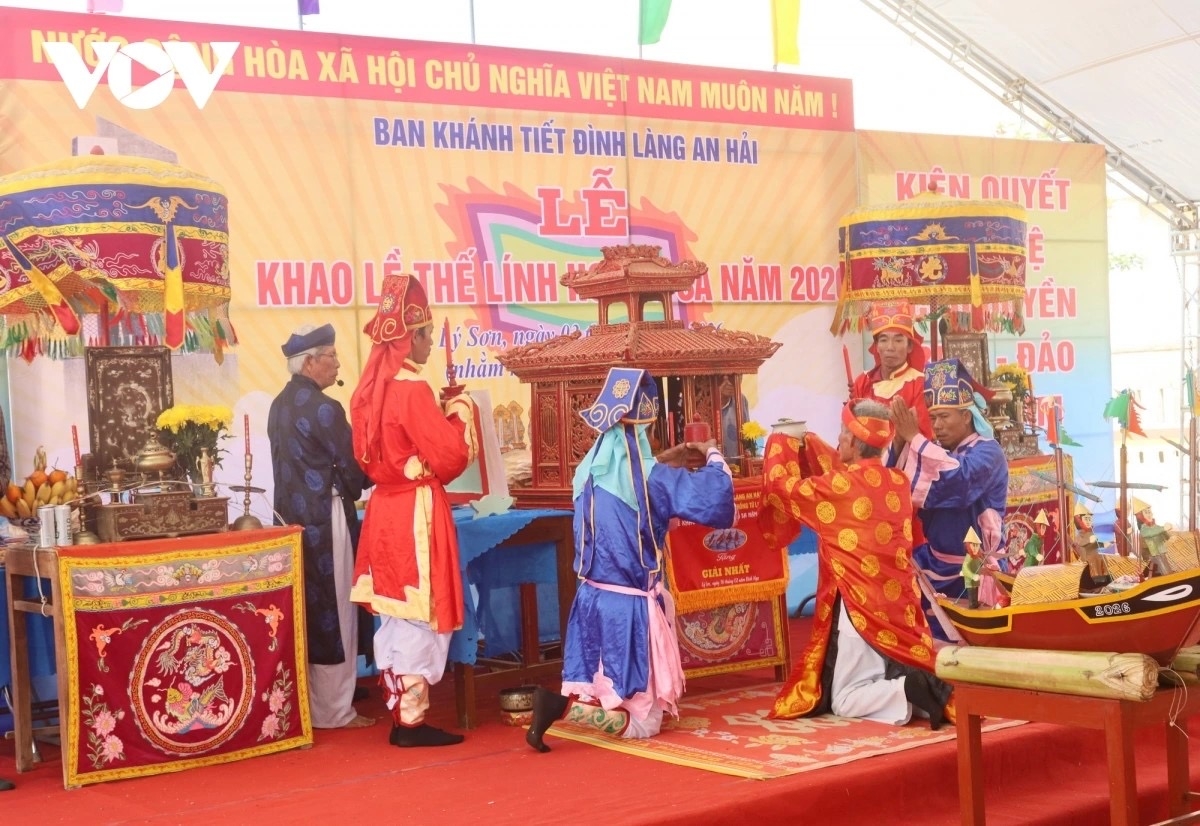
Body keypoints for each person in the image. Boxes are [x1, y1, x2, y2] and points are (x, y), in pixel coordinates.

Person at [526, 368, 736, 752]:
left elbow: (629, 476)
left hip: (592, 599)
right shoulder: (653, 479)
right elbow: (714, 496)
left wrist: (665, 459)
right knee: (644, 723)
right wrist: (712, 452)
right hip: (630, 611)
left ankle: (583, 699)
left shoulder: (587, 471)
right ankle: (561, 709)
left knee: (607, 689)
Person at [759, 398, 951, 729]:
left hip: (859, 607)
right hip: (899, 606)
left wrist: (781, 441)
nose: (837, 440)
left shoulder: (837, 487)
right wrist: (810, 443)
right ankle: (919, 690)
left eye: (842, 433)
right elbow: (844, 472)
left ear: (851, 440)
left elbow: (780, 488)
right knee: (888, 667)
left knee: (845, 698)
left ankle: (908, 688)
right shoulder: (898, 482)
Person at [349, 273, 479, 748]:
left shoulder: (371, 390)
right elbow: (450, 457)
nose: (429, 344)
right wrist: (461, 411)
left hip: (385, 507)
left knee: (395, 613)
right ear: (412, 337)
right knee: (421, 612)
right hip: (416, 513)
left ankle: (401, 711)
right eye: (425, 335)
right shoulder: (411, 389)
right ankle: (411, 720)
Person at [268, 323, 374, 730]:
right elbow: (353, 464)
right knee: (337, 609)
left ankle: (317, 699)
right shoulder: (324, 408)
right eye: (331, 356)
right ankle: (334, 710)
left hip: (291, 519)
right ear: (310, 362)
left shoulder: (279, 404)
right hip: (325, 517)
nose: (338, 363)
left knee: (309, 610)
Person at [892, 359, 1009, 633]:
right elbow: (896, 484)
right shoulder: (937, 452)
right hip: (934, 564)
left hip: (975, 572)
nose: (937, 426)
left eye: (945, 417)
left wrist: (915, 439)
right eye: (933, 418)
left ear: (966, 416)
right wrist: (900, 441)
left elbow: (959, 483)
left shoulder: (989, 452)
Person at [850, 301, 932, 445]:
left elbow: (924, 436)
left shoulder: (920, 383)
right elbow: (852, 430)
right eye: (883, 340)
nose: (890, 347)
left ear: (910, 346)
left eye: (898, 340)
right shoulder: (862, 381)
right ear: (876, 346)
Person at [1131, 497, 1172, 577]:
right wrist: (1163, 528)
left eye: (1150, 512)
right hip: (1153, 553)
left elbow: (1161, 532)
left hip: (1161, 550)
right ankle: (1167, 576)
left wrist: (1167, 535)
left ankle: (1168, 575)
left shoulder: (1155, 526)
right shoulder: (1144, 528)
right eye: (1146, 513)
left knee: (1166, 564)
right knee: (1163, 568)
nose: (1150, 514)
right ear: (1140, 516)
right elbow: (1150, 533)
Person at [719, 374, 750, 459]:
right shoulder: (701, 399)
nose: (730, 382)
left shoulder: (741, 399)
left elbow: (747, 436)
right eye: (727, 375)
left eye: (738, 375)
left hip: (737, 462)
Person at [962, 528, 984, 609]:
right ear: (968, 546)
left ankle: (975, 603)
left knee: (976, 592)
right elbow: (965, 569)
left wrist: (985, 565)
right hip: (970, 580)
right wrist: (972, 576)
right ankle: (972, 604)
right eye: (973, 545)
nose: (975, 548)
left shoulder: (977, 558)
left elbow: (981, 564)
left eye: (977, 545)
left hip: (976, 579)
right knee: (972, 592)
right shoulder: (968, 558)